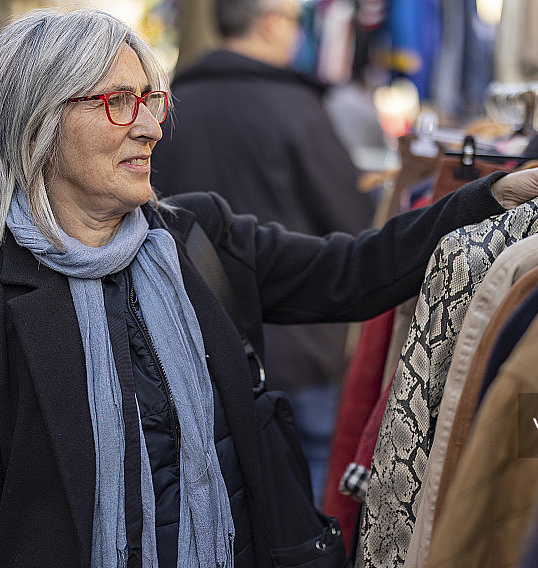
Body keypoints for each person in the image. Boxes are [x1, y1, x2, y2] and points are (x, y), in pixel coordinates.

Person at [0, 8, 538, 568]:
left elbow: (354, 272)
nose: (150, 126)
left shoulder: (200, 238)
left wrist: (488, 198)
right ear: (36, 126)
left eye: (151, 99)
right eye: (117, 102)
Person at [150, 0, 380, 502]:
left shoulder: (169, 107)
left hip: (192, 341)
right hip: (298, 342)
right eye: (296, 21)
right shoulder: (294, 106)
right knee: (311, 487)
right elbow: (353, 220)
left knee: (219, 494)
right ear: (271, 22)